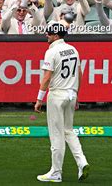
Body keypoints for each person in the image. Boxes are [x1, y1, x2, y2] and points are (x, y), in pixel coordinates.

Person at [34, 21, 89, 182]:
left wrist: (39, 99)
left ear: (56, 36)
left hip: (57, 95)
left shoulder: (51, 52)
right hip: (71, 94)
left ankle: (56, 172)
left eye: (49, 33)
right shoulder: (73, 49)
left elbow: (46, 78)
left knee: (57, 135)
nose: (47, 35)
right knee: (69, 131)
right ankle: (82, 162)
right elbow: (79, 73)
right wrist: (77, 94)